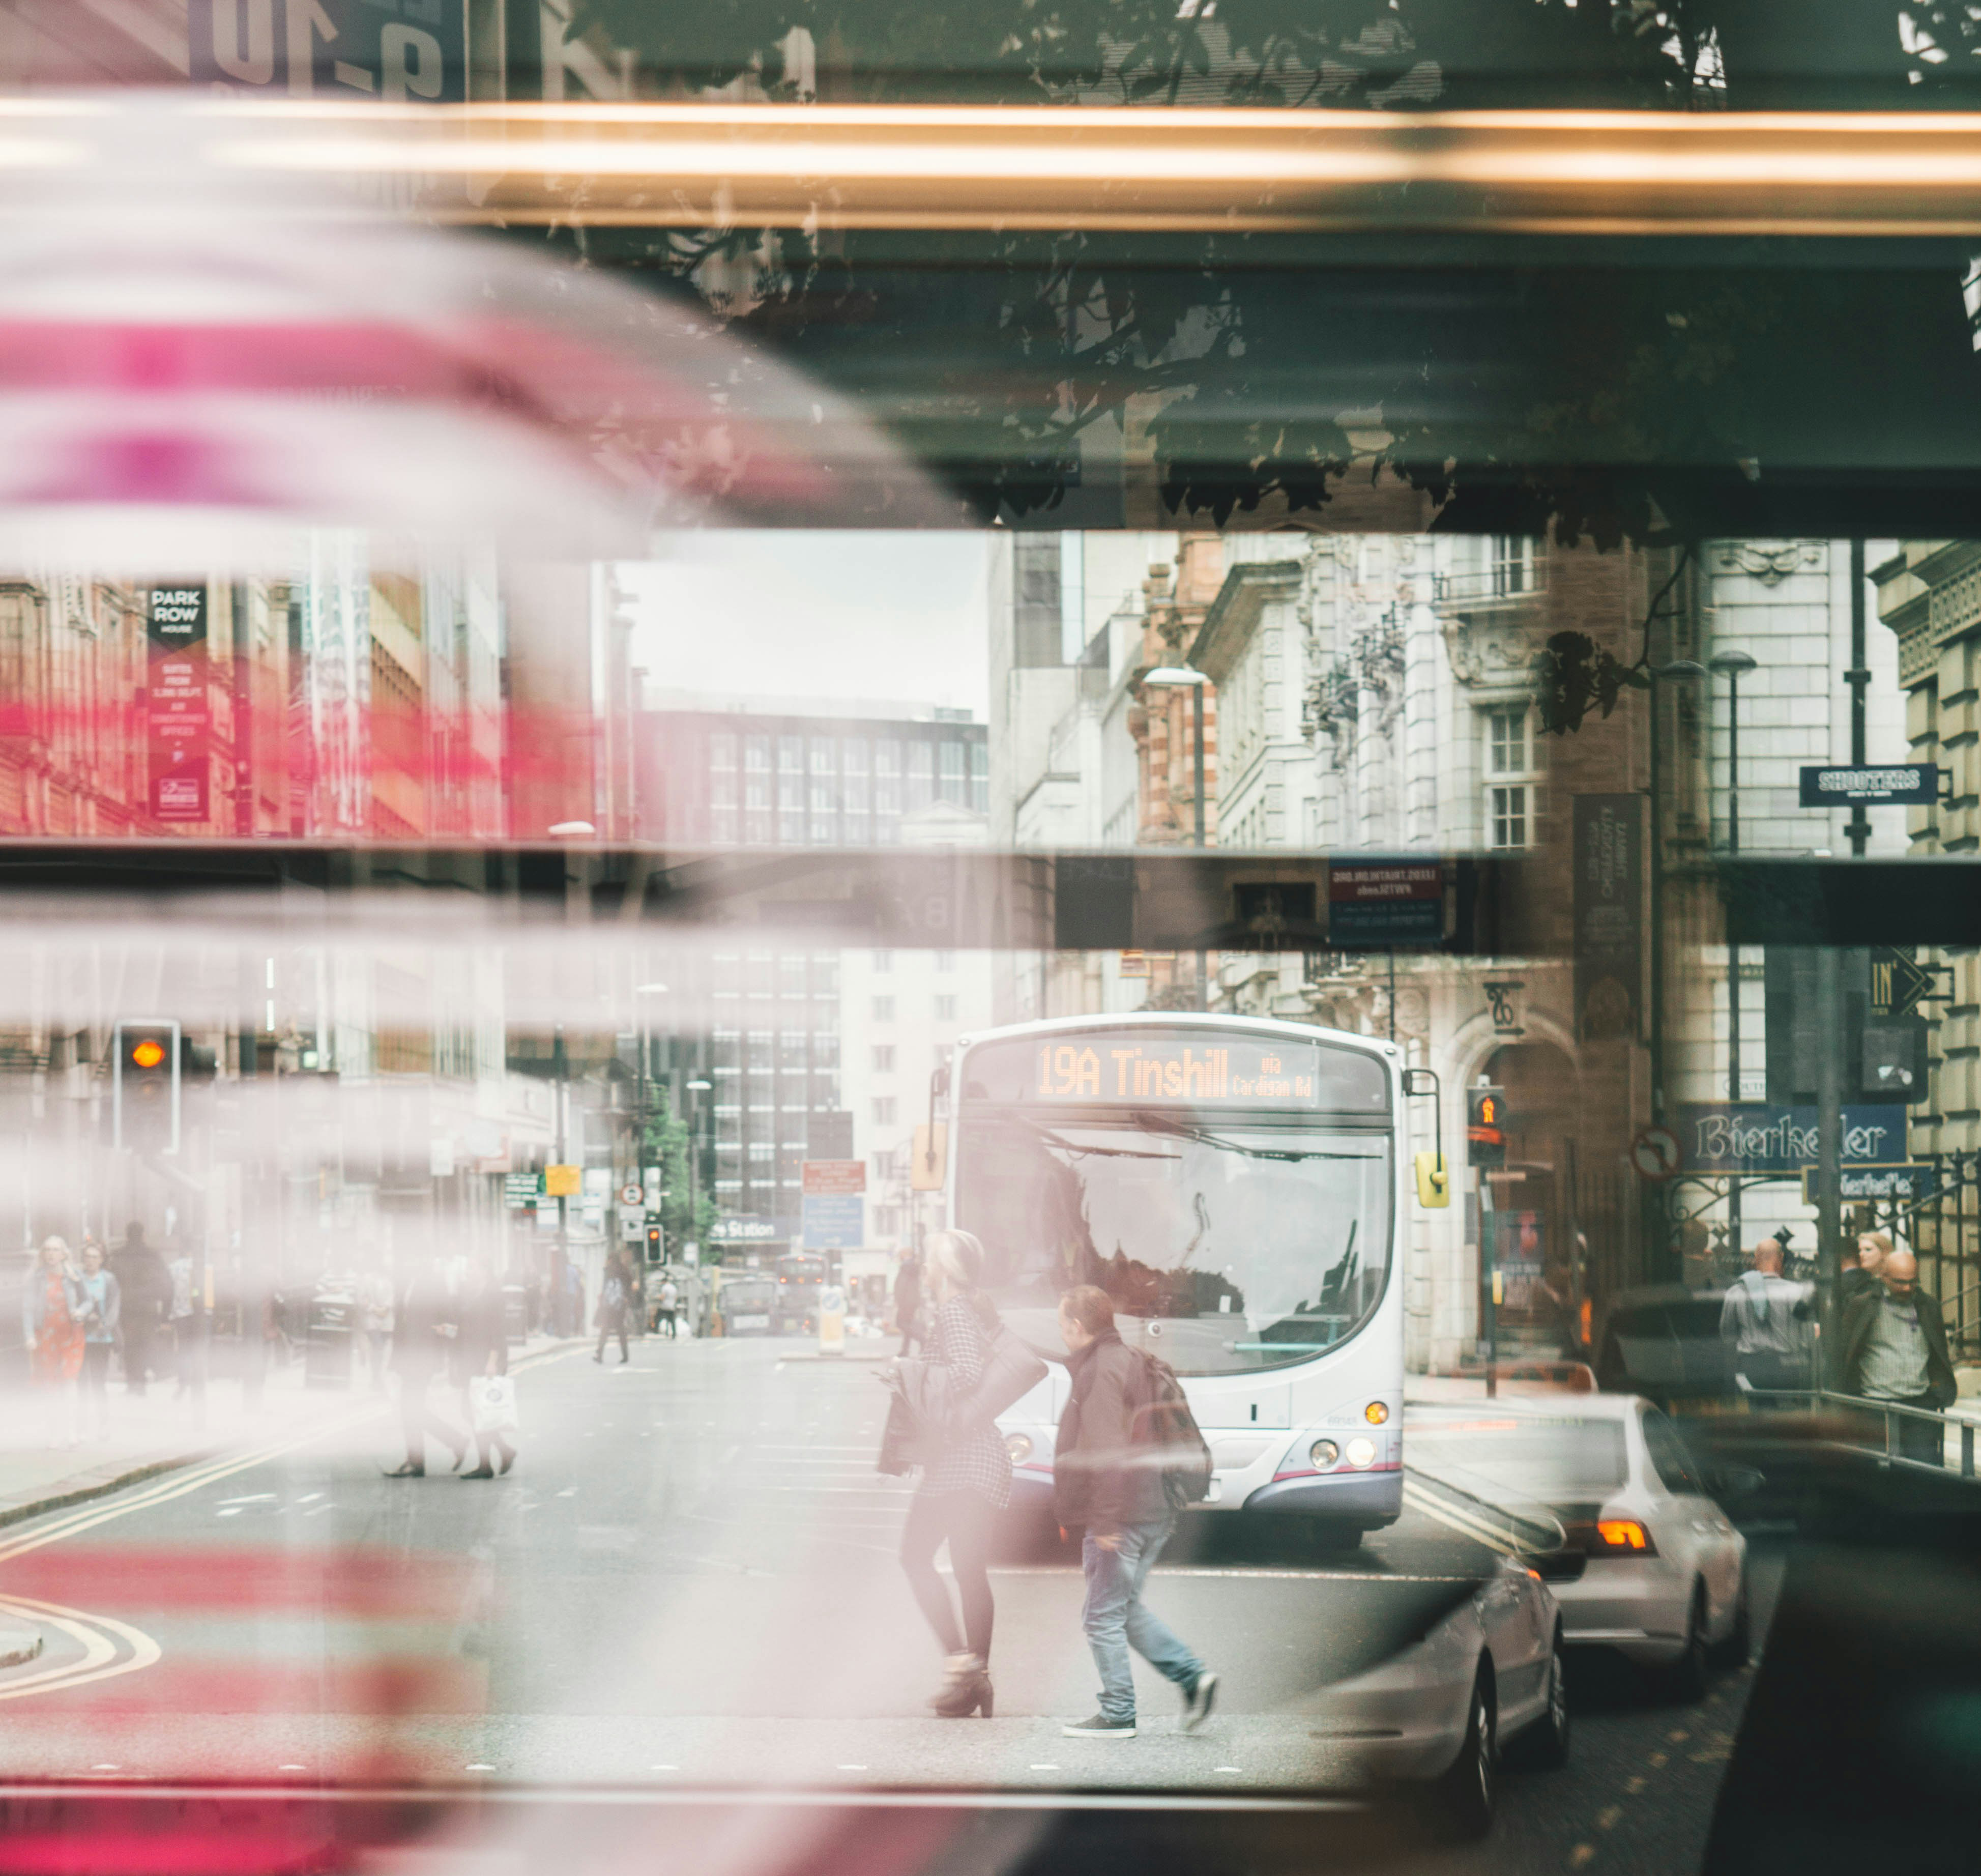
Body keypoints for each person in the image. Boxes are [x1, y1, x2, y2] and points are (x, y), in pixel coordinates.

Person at [1053, 1283, 1216, 1741]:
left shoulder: (1101, 1370)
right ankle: (1192, 1677)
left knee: (1101, 1615)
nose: (1060, 1331)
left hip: (1121, 1514)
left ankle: (1119, 1711)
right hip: (1153, 1505)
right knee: (1122, 1607)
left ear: (1078, 1326)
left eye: (1062, 1323)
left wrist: (1103, 1522)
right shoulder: (1131, 1359)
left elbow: (1107, 1450)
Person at [897, 1230, 1010, 1721]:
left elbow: (963, 1372)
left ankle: (964, 1668)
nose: (924, 1267)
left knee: (914, 1556)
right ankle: (974, 1680)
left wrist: (911, 1375)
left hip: (965, 1461)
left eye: (930, 1260)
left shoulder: (955, 1309)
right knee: (967, 1570)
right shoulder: (966, 1307)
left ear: (945, 1267)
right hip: (973, 1459)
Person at [1841, 1248, 1957, 1466]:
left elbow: (1938, 1352)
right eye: (1899, 1282)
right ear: (1884, 1277)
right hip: (1876, 1405)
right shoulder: (1862, 1305)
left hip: (1920, 1403)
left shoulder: (1928, 1306)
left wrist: (1938, 1391)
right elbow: (1845, 1351)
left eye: (1913, 1282)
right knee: (1878, 1473)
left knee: (1925, 1469)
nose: (1907, 1288)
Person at [386, 1257, 468, 1478]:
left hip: (424, 1356)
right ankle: (421, 1458)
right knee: (410, 1409)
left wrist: (443, 1337)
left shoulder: (433, 1283)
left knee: (410, 1408)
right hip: (406, 1356)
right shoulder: (405, 1283)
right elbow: (402, 1322)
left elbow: (450, 1322)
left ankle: (424, 1457)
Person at [1718, 1237, 1813, 1396]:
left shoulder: (1736, 1292)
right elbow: (1808, 1338)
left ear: (1755, 1258)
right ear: (1781, 1257)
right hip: (1791, 1368)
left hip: (1752, 1368)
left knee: (1759, 1415)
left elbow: (1727, 1335)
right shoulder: (1799, 1292)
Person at [455, 1264, 517, 1479]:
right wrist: (451, 1331)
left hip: (487, 1358)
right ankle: (500, 1453)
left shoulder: (493, 1295)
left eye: (474, 1267)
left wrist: (492, 1361)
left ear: (485, 1271)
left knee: (474, 1410)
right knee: (472, 1410)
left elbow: (498, 1330)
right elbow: (470, 1326)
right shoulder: (472, 1293)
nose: (469, 1271)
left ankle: (488, 1462)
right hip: (472, 1357)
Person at [21, 1236, 84, 1447]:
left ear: (64, 1253)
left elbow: (88, 1301)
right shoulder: (36, 1279)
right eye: (47, 1249)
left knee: (69, 1381)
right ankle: (54, 1433)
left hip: (71, 1335)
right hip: (46, 1335)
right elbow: (28, 1309)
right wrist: (30, 1335)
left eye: (56, 1250)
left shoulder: (74, 1276)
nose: (51, 1254)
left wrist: (80, 1311)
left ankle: (72, 1432)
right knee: (51, 1384)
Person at [108, 1223, 170, 1399]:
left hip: (125, 1307)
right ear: (143, 1235)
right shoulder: (154, 1257)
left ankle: (132, 1382)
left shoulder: (118, 1256)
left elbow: (112, 1282)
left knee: (128, 1345)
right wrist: (165, 1312)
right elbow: (166, 1285)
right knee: (144, 1345)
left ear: (127, 1235)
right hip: (147, 1308)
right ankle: (141, 1382)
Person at [71, 1239, 121, 1441]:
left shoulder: (108, 1280)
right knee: (81, 1383)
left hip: (101, 1338)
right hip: (80, 1337)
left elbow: (114, 1308)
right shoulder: (77, 1278)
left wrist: (104, 1327)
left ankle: (103, 1424)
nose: (90, 1261)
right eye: (87, 1257)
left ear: (101, 1260)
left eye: (95, 1257)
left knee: (99, 1383)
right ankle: (81, 1426)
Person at [359, 1259, 395, 1391]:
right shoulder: (367, 1279)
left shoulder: (391, 1280)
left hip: (387, 1319)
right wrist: (374, 1309)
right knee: (377, 1346)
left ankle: (378, 1377)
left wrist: (385, 1308)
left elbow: (394, 1296)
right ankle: (376, 1377)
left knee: (382, 1349)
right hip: (372, 1319)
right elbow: (362, 1298)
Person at [594, 1251, 634, 1365]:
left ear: (610, 1259)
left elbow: (606, 1287)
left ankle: (600, 1355)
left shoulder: (608, 1270)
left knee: (605, 1330)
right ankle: (625, 1355)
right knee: (621, 1330)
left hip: (609, 1306)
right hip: (620, 1305)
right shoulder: (624, 1270)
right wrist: (627, 1298)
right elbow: (629, 1285)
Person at [1841, 1231, 1890, 1309]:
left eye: (1868, 1250)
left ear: (1884, 1252)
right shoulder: (1862, 1284)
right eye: (1860, 1250)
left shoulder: (1891, 1282)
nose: (1861, 1254)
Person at [894, 1252, 923, 1356]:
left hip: (905, 1302)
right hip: (912, 1302)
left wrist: (899, 1301)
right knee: (908, 1325)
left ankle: (922, 1340)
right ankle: (905, 1350)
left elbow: (901, 1286)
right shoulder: (912, 1270)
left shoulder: (905, 1269)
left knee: (901, 1324)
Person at [655, 1273, 680, 1340]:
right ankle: (674, 1334)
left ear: (664, 1282)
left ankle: (656, 1330)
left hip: (665, 1307)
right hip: (672, 1307)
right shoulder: (674, 1288)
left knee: (658, 1317)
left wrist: (658, 1297)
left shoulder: (664, 1288)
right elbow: (676, 1297)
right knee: (672, 1321)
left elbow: (663, 1297)